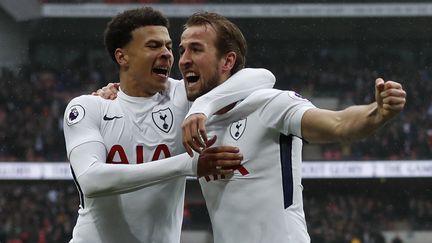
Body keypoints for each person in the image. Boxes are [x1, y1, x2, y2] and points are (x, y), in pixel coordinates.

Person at [98, 11, 406, 243]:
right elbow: (141, 95)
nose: (183, 60)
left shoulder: (269, 104)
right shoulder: (190, 115)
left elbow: (338, 123)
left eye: (196, 49)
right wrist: (111, 92)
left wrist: (377, 112)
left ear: (227, 61)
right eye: (183, 50)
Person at [63, 7, 275, 243]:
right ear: (122, 57)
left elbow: (263, 77)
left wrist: (202, 106)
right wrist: (188, 164)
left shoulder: (182, 97)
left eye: (168, 46)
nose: (167, 54)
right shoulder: (88, 107)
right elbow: (92, 180)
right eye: (153, 46)